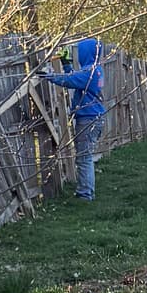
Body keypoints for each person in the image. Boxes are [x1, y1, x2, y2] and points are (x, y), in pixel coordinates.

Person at [44, 37, 108, 199]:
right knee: (85, 156)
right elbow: (75, 77)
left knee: (84, 157)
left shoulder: (90, 72)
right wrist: (66, 64)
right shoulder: (94, 69)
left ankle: (85, 194)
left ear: (86, 53)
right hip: (94, 117)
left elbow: (71, 80)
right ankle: (85, 191)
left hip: (89, 119)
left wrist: (49, 76)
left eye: (80, 51)